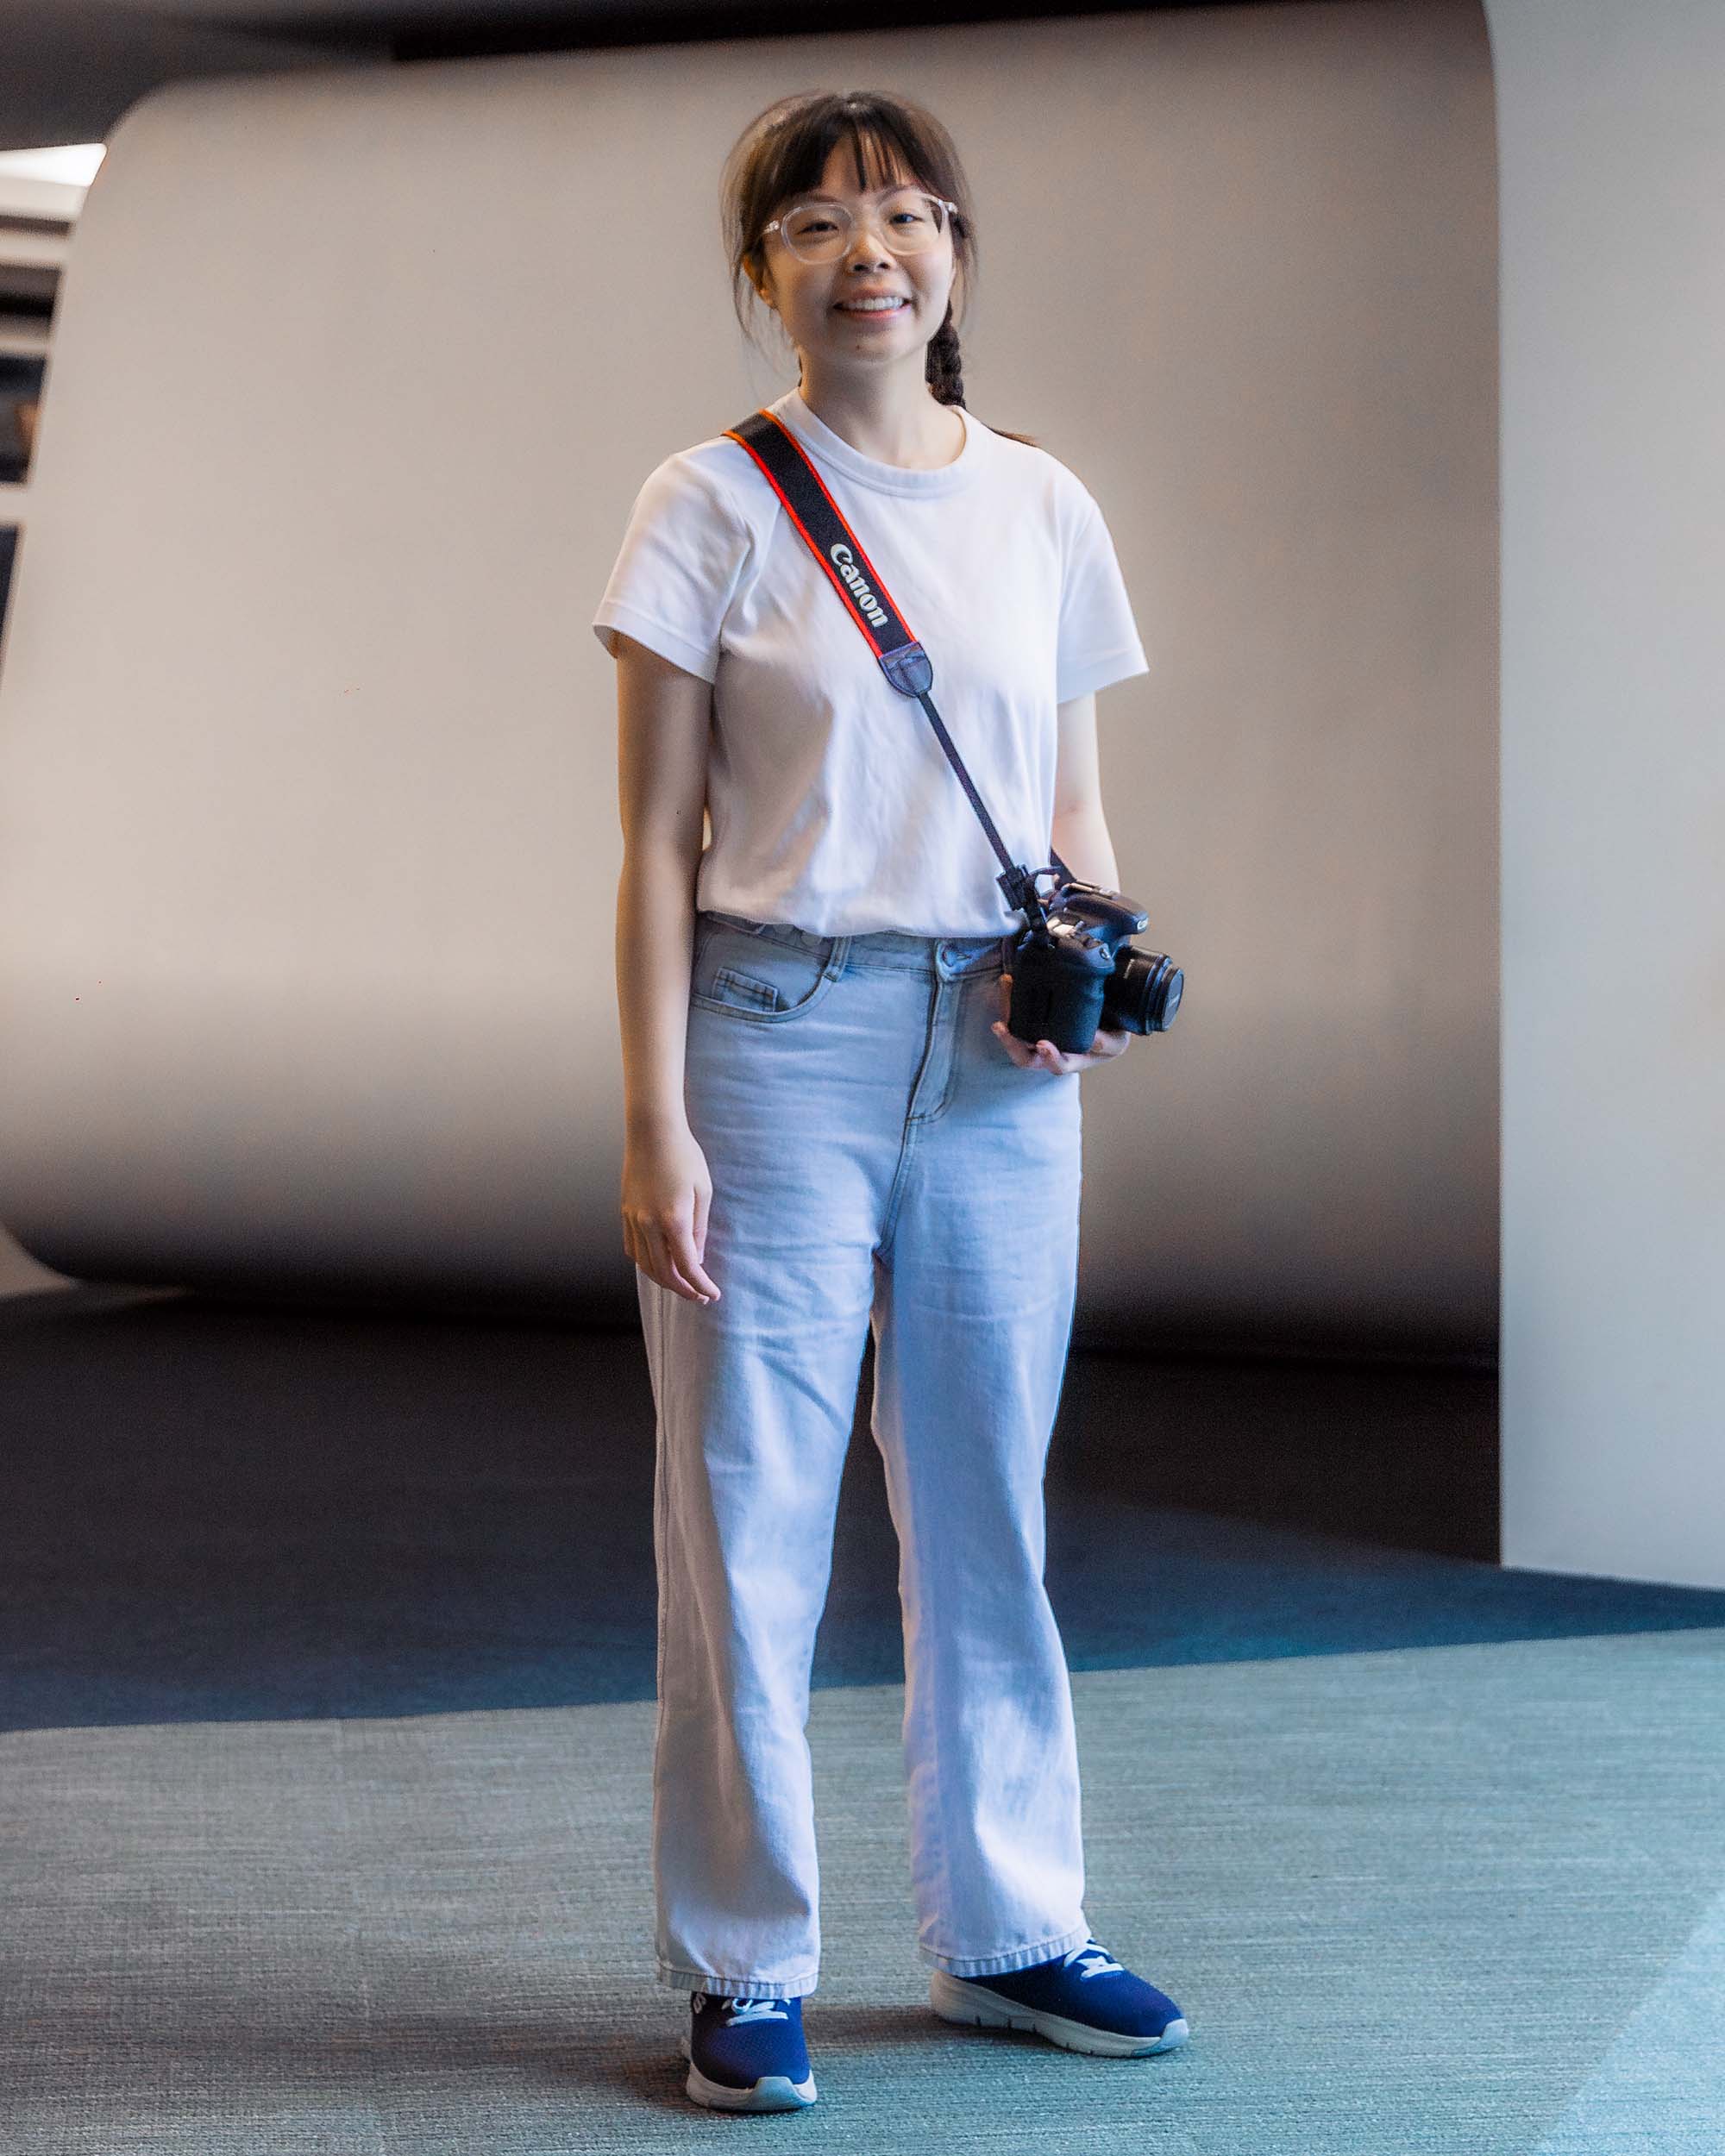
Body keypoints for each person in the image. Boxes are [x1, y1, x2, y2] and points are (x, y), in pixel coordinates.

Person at [593, 88, 1189, 2115]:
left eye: (913, 212)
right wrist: (654, 1115)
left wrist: (1090, 961)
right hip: (773, 1036)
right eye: (826, 218)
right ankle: (743, 1959)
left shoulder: (1043, 501)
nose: (876, 247)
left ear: (951, 256)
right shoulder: (710, 500)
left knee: (985, 1509)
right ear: (762, 266)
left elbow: (1073, 805)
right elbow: (651, 844)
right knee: (744, 1511)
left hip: (999, 1061)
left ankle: (1012, 1926)